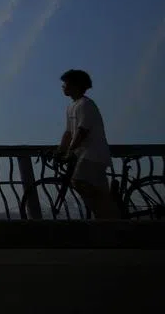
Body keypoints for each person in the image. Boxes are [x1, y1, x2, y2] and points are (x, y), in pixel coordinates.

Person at [55, 69, 119, 219]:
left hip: (92, 154)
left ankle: (111, 211)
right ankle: (110, 212)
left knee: (78, 180)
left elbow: (82, 131)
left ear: (75, 86)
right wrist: (60, 149)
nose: (63, 86)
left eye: (65, 83)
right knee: (94, 188)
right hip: (86, 155)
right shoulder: (72, 106)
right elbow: (68, 132)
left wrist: (70, 151)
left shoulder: (85, 104)